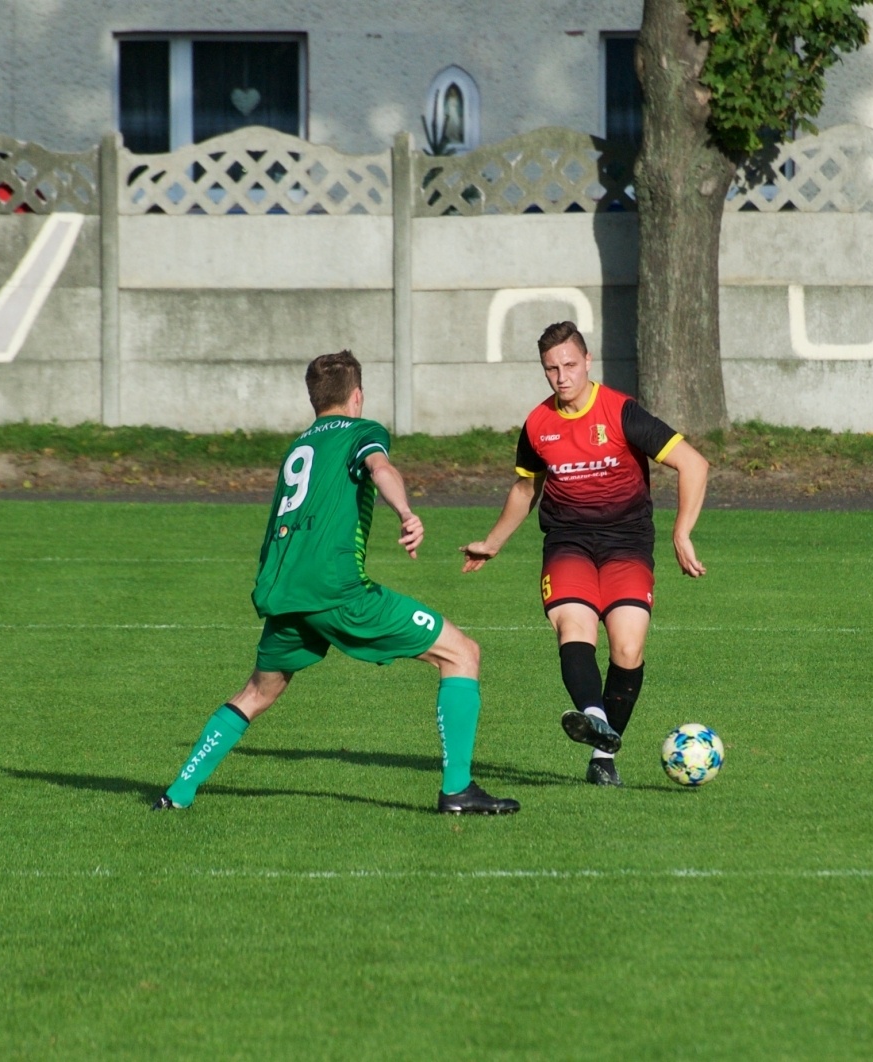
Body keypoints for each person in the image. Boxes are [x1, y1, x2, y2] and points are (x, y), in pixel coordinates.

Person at [154, 350, 518, 815]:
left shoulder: (299, 447)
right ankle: (457, 790)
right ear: (357, 396)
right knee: (462, 653)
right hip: (338, 593)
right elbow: (381, 468)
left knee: (257, 692)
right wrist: (406, 512)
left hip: (286, 594)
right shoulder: (361, 432)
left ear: (314, 399)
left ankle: (178, 793)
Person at [461, 321, 709, 786]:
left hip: (626, 544)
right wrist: (492, 542)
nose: (561, 376)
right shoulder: (538, 423)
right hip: (568, 542)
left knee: (628, 646)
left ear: (588, 361)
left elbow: (693, 463)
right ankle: (595, 722)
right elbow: (525, 486)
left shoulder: (621, 412)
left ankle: (602, 751)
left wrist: (682, 533)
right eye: (551, 368)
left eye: (570, 365)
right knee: (573, 627)